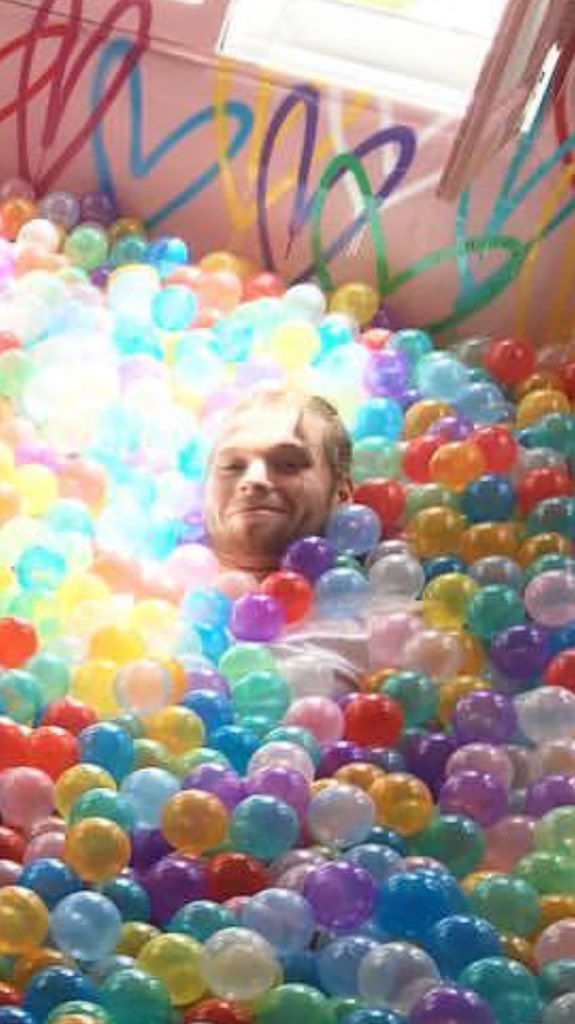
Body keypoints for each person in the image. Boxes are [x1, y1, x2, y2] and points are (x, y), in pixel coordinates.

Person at [202, 384, 385, 693]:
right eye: (232, 466)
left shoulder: (388, 633)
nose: (254, 480)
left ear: (341, 496)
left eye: (288, 464)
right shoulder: (144, 609)